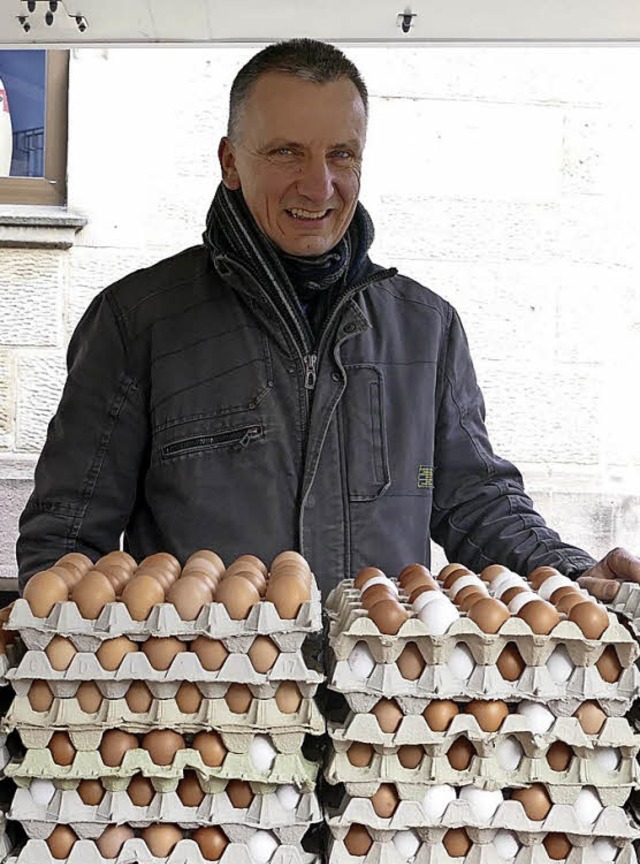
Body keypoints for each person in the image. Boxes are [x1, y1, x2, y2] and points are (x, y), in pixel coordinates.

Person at [16, 39, 640, 600]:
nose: (319, 186)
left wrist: (571, 570)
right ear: (231, 162)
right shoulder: (139, 323)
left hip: (382, 710)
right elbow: (69, 536)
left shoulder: (427, 329)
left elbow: (475, 502)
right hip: (202, 712)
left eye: (342, 154)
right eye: (287, 152)